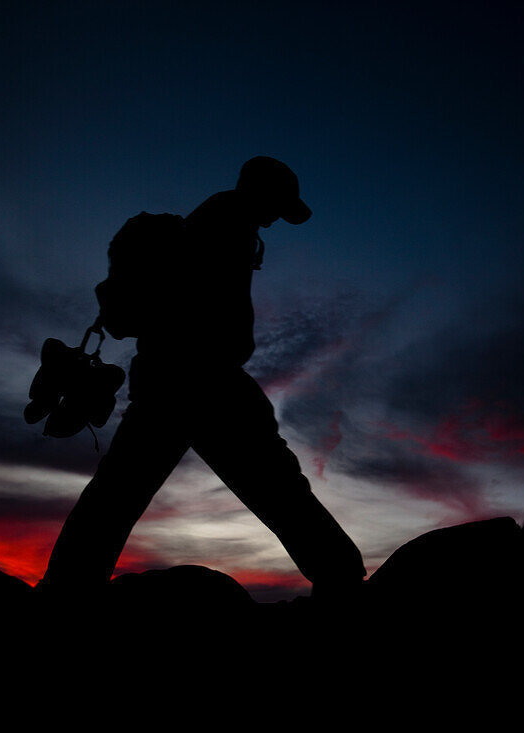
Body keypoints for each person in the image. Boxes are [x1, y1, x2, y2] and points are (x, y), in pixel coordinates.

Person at [39, 156, 366, 600]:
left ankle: (65, 591)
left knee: (116, 496)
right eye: (277, 206)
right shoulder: (227, 222)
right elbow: (212, 315)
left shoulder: (214, 221)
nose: (274, 220)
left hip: (166, 379)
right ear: (260, 191)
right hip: (205, 382)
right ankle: (343, 580)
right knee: (277, 489)